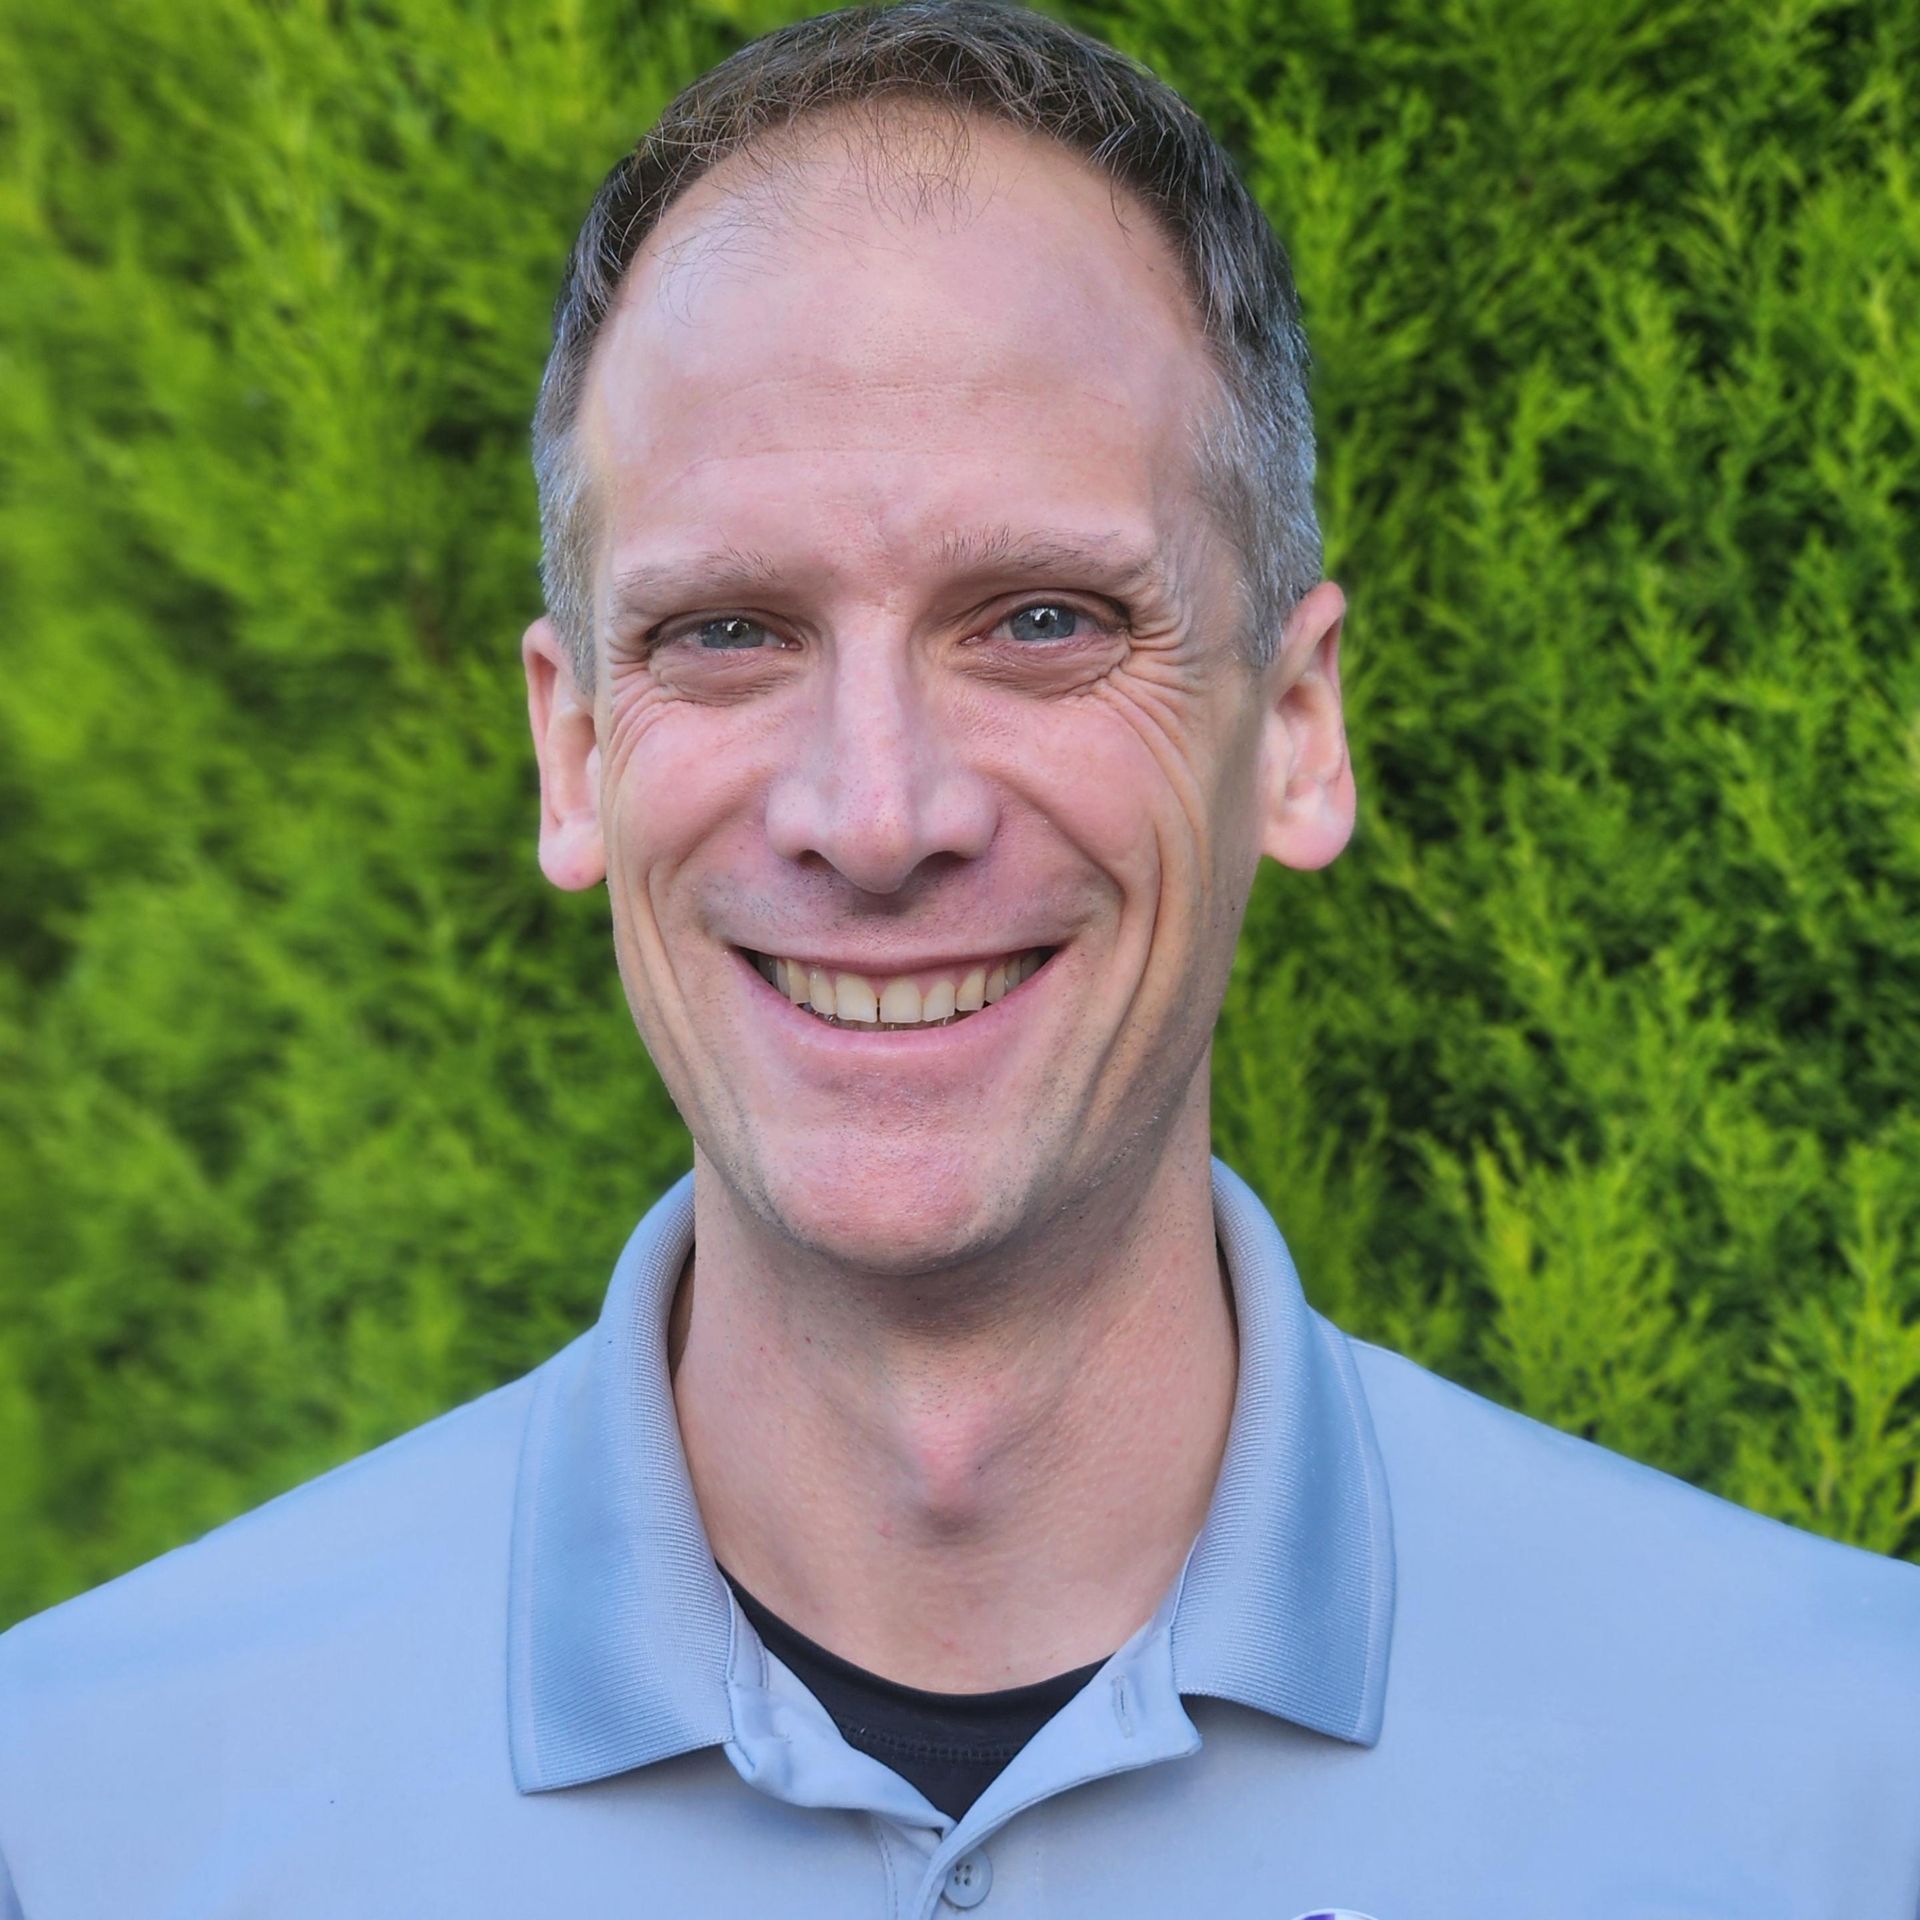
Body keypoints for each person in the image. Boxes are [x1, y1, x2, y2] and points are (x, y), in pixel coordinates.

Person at [4, 3, 1918, 1914]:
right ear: (575, 754)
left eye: (1042, 617)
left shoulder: (1845, 1781)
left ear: (1303, 725)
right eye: (731, 633)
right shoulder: (84, 1810)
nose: (876, 808)